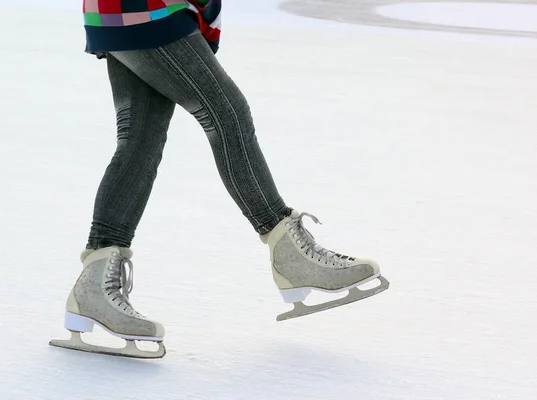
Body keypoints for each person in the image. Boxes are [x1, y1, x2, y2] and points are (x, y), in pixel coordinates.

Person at [50, 0, 388, 358]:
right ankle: (291, 256)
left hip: (130, 10)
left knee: (140, 141)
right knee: (226, 114)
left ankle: (94, 289)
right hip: (146, 8)